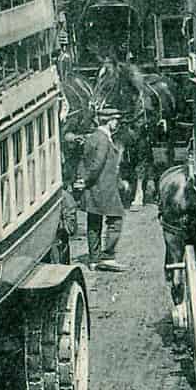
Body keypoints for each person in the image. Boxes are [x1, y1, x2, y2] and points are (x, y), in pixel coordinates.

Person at [76, 108, 127, 271]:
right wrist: (87, 179)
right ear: (109, 121)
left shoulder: (93, 137)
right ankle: (108, 257)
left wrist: (84, 181)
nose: (117, 123)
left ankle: (94, 259)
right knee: (116, 220)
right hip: (104, 188)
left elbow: (85, 161)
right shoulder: (103, 139)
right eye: (115, 120)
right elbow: (97, 164)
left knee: (94, 222)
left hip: (94, 188)